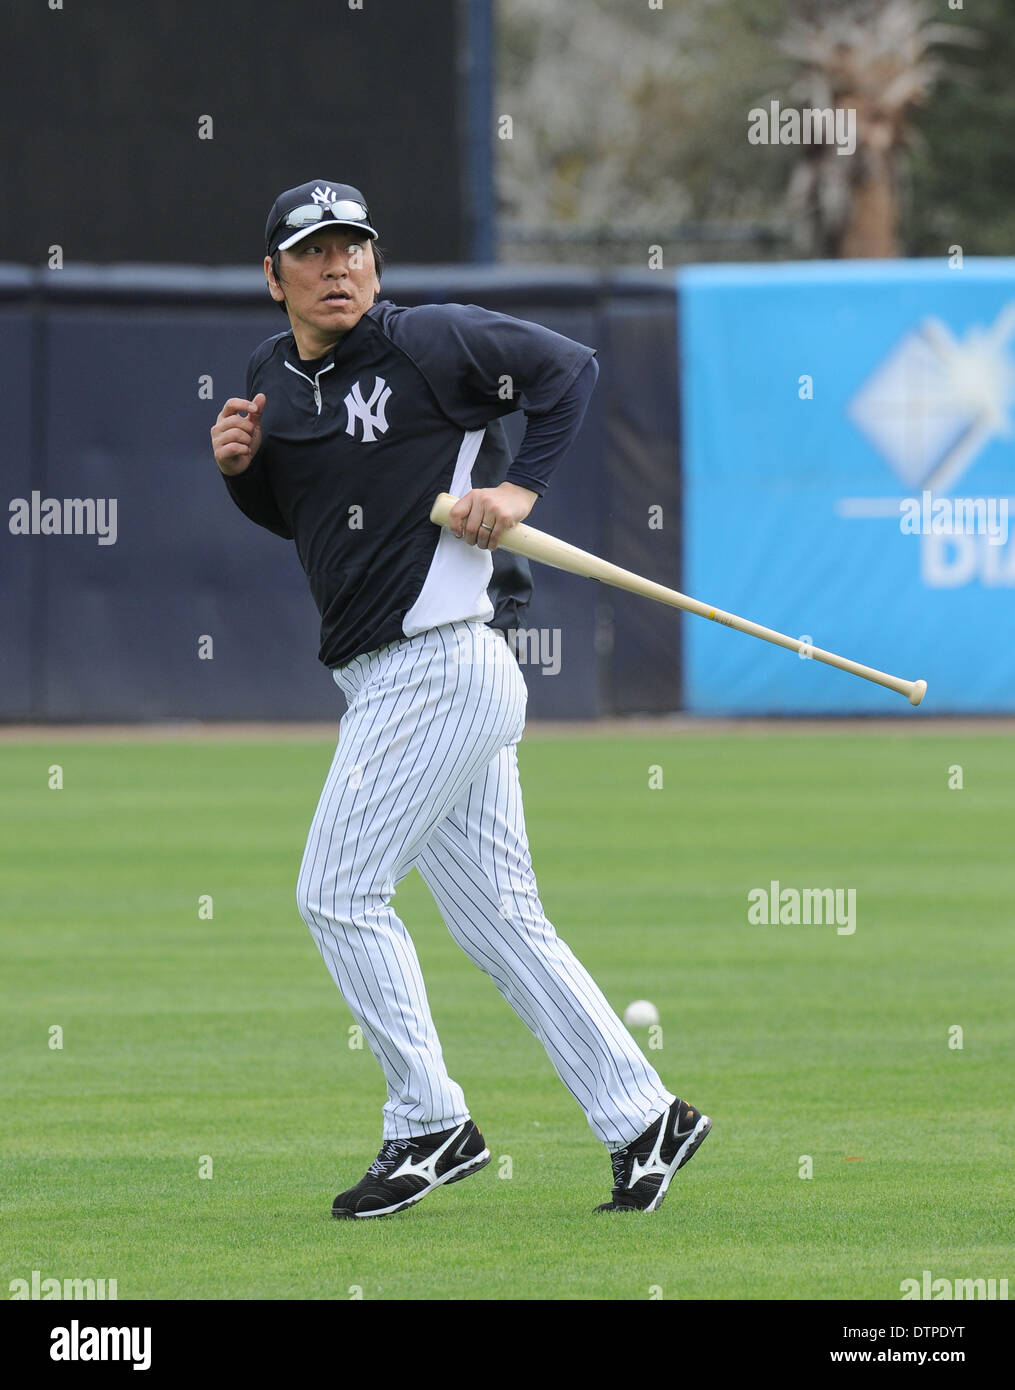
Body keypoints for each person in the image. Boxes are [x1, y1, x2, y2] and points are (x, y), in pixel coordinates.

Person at [210, 179, 710, 1218]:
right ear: (274, 278)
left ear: (376, 263)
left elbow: (568, 370)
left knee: (335, 893)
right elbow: (301, 516)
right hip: (386, 674)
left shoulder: (433, 340)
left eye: (354, 246)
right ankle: (643, 1116)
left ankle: (428, 1121)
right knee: (503, 927)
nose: (338, 264)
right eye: (312, 251)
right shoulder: (268, 376)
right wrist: (240, 473)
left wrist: (518, 486)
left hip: (440, 661)